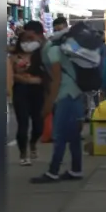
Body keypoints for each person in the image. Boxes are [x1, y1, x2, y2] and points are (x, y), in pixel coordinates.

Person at [31, 17, 87, 184]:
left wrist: (48, 104)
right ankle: (76, 170)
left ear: (38, 35)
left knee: (60, 135)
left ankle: (53, 171)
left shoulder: (52, 49)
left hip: (66, 95)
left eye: (29, 37)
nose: (28, 41)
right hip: (75, 93)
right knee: (73, 136)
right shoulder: (58, 47)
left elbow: (56, 79)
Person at [9, 21, 46, 166]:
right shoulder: (14, 56)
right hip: (20, 91)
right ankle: (23, 153)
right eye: (25, 40)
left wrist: (38, 80)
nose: (28, 42)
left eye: (31, 39)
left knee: (38, 125)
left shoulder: (41, 54)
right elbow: (11, 74)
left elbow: (47, 73)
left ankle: (33, 143)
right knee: (23, 123)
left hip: (37, 90)